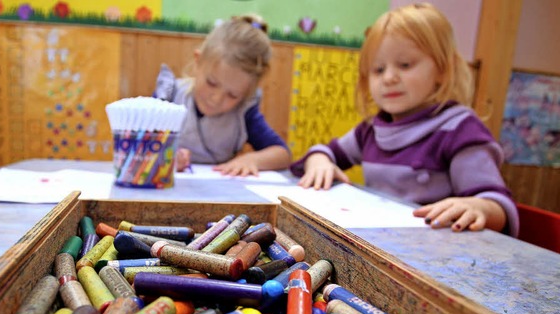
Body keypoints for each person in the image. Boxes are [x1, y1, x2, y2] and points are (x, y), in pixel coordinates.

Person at [289, 3, 519, 236]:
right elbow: (325, 153)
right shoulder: (370, 130)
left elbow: (498, 207)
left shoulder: (459, 130)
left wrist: (478, 206)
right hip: (376, 244)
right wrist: (319, 161)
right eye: (378, 69)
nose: (389, 78)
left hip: (433, 255)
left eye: (405, 65)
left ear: (442, 69)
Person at [153, 14, 291, 176]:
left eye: (232, 95)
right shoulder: (168, 96)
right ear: (198, 61)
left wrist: (251, 160)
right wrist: (163, 156)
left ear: (247, 94)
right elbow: (138, 141)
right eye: (211, 83)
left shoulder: (244, 113)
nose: (216, 99)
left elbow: (283, 154)